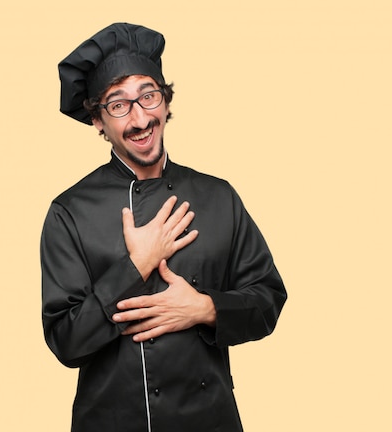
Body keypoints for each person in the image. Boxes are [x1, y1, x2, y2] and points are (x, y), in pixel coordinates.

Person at [40, 22, 287, 432]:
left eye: (148, 96)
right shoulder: (69, 211)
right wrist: (136, 266)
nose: (139, 117)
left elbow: (268, 300)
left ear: (166, 102)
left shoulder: (218, 196)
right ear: (98, 122)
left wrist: (206, 309)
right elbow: (66, 342)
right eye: (118, 104)